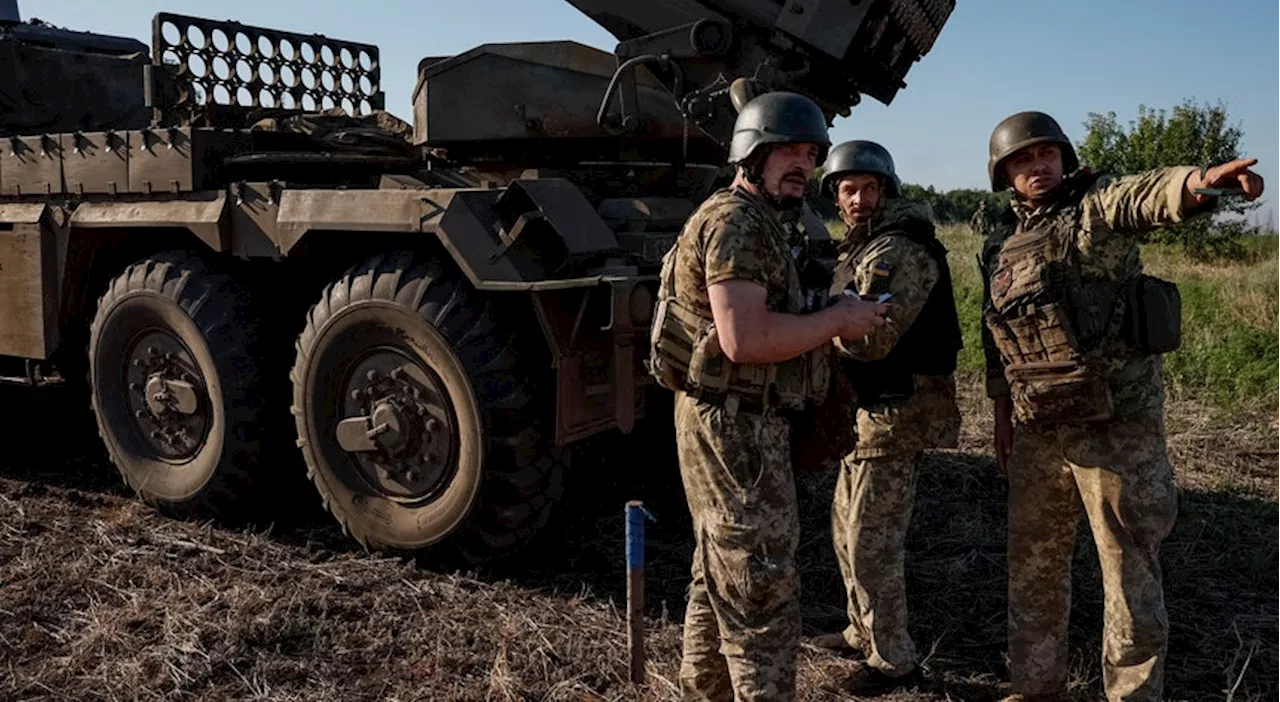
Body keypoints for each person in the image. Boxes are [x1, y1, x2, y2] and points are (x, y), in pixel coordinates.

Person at [978, 111, 1265, 702]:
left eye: (1046, 155)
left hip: (1113, 427)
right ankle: (1036, 689)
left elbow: (1144, 196)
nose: (1038, 166)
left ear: (1063, 158)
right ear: (1005, 174)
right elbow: (997, 333)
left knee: (1128, 572)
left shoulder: (1094, 211)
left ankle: (1132, 695)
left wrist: (1201, 182)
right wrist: (1001, 408)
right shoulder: (998, 243)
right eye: (1022, 160)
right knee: (1033, 567)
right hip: (1039, 426)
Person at [647, 91, 888, 701]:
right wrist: (840, 321)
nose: (802, 164)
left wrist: (831, 309)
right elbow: (746, 339)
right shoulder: (735, 222)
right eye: (788, 150)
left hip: (745, 421)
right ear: (752, 153)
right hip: (733, 426)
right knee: (760, 586)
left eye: (810, 153)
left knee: (722, 574)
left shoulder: (764, 222)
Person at [807, 140, 963, 692]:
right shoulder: (865, 246)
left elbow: (871, 338)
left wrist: (810, 328)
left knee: (872, 539)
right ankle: (861, 631)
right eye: (847, 189)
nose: (857, 198)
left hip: (897, 411)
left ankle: (893, 659)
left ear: (886, 191)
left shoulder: (898, 250)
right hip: (869, 410)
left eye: (869, 188)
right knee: (846, 529)